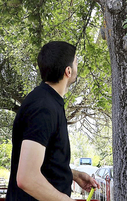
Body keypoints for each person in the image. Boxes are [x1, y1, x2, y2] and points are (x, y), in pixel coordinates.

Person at [6, 41, 99, 201]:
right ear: (68, 71)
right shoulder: (43, 107)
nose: (77, 65)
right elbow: (26, 178)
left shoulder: (48, 101)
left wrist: (73, 175)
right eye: (76, 61)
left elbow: (44, 163)